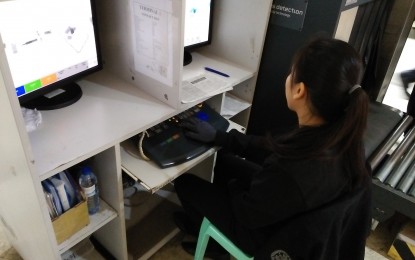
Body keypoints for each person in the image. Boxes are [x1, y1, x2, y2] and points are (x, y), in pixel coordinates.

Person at [174, 37, 372, 259]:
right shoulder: (342, 138)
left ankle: (217, 246)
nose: (287, 78)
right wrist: (221, 138)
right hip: (295, 218)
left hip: (269, 237)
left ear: (299, 90)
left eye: (291, 73)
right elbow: (276, 149)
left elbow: (246, 213)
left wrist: (234, 187)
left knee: (185, 182)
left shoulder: (292, 171)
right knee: (224, 161)